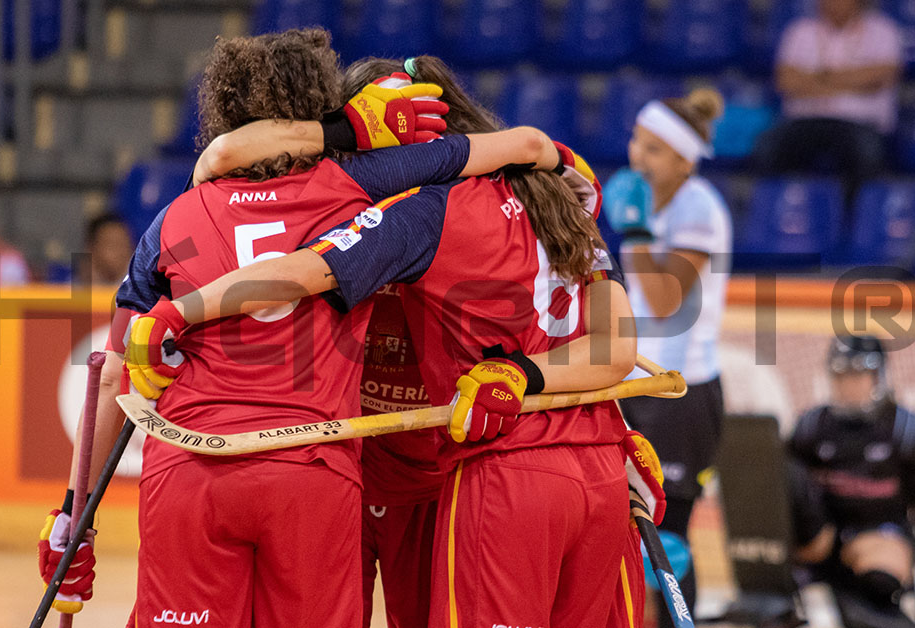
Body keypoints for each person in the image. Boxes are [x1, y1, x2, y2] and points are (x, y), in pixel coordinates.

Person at [34, 30, 561, 626]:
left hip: (189, 470)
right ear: (320, 109)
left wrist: (73, 515)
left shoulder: (174, 216)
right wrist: (566, 169)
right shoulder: (356, 189)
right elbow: (521, 147)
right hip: (309, 471)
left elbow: (110, 382)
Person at [127, 54, 662, 628]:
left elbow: (297, 260)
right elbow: (597, 343)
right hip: (387, 466)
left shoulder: (416, 211)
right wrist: (613, 433)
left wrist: (178, 311)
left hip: (443, 473)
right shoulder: (565, 203)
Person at [603, 88, 732, 628]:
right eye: (637, 140)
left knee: (669, 537)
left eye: (654, 149)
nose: (638, 155)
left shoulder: (698, 205)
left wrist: (632, 229)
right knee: (625, 530)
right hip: (640, 385)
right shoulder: (657, 201)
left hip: (683, 393)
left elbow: (665, 301)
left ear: (684, 159)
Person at [788, 334, 915, 626]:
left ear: (879, 376)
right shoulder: (811, 426)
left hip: (881, 534)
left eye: (857, 376)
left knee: (879, 582)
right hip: (822, 535)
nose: (848, 385)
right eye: (840, 376)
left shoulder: (909, 431)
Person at [752, 0, 902, 204]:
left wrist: (815, 79)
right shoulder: (800, 30)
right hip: (805, 121)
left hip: (859, 122)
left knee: (867, 155)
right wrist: (851, 81)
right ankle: (782, 214)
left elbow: (880, 76)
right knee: (767, 148)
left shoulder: (883, 30)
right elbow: (787, 81)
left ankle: (854, 225)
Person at [83, 213, 133, 286]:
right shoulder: (68, 288)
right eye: (113, 245)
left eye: (124, 244)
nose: (121, 252)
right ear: (92, 249)